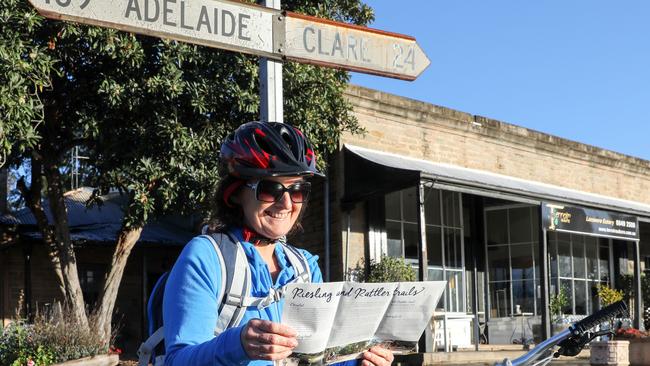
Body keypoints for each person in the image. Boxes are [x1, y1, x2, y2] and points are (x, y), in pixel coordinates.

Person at [163, 121, 394, 366]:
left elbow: (315, 358)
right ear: (236, 192)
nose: (286, 205)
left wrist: (358, 362)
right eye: (271, 189)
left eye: (297, 190)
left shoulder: (303, 267)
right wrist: (237, 344)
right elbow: (178, 360)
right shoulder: (207, 257)